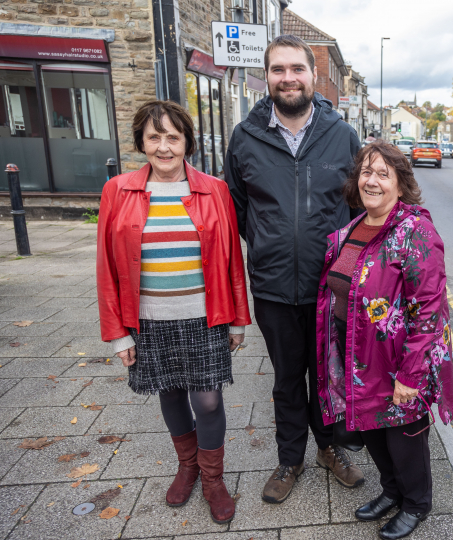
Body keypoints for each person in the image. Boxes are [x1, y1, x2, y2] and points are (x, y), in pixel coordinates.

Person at [225, 34, 365, 505]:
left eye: (296, 69)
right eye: (278, 69)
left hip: (331, 288)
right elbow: (239, 210)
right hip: (272, 287)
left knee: (326, 375)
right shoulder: (246, 138)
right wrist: (271, 244)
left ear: (312, 74)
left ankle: (329, 448)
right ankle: (290, 458)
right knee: (287, 378)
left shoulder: (341, 135)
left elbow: (359, 208)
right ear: (267, 77)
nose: (288, 78)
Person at [97, 100, 251, 524]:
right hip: (148, 318)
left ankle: (213, 478)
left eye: (173, 137)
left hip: (204, 316)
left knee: (208, 399)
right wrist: (118, 333)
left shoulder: (214, 190)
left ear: (187, 142)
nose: (164, 147)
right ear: (141, 143)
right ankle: (188, 467)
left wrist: (239, 318)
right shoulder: (118, 190)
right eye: (154, 137)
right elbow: (107, 266)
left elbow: (232, 260)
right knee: (169, 392)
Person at [316, 141, 453, 539]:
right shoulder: (354, 227)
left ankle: (416, 503)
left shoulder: (416, 232)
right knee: (373, 431)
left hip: (398, 362)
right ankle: (392, 491)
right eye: (366, 171)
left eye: (383, 173)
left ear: (400, 184)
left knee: (404, 439)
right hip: (357, 354)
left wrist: (411, 376)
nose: (372, 181)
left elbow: (430, 310)